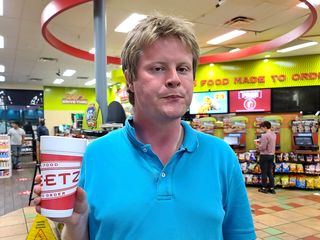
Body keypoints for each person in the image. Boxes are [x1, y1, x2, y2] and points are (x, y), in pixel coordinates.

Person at [34, 14, 256, 239]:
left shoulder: (221, 156)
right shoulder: (95, 155)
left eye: (183, 68)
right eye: (158, 68)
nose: (174, 79)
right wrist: (76, 222)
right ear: (130, 79)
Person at [255, 121, 277, 194]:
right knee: (269, 172)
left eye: (262, 128)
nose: (262, 129)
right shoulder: (274, 134)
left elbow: (263, 147)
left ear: (265, 127)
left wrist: (257, 145)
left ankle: (264, 188)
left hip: (264, 155)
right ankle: (272, 188)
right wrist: (259, 140)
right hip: (271, 155)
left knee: (264, 172)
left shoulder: (264, 135)